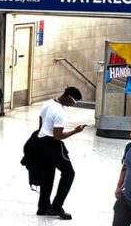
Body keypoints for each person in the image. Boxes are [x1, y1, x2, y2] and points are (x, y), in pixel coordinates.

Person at [36, 86, 86, 220]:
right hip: (52, 144)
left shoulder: (48, 103)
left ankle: (43, 207)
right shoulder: (60, 113)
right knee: (69, 173)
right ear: (68, 97)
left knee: (48, 174)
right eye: (73, 102)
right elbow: (58, 136)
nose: (72, 105)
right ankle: (56, 206)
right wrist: (75, 131)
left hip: (41, 140)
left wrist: (43, 133)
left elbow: (41, 122)